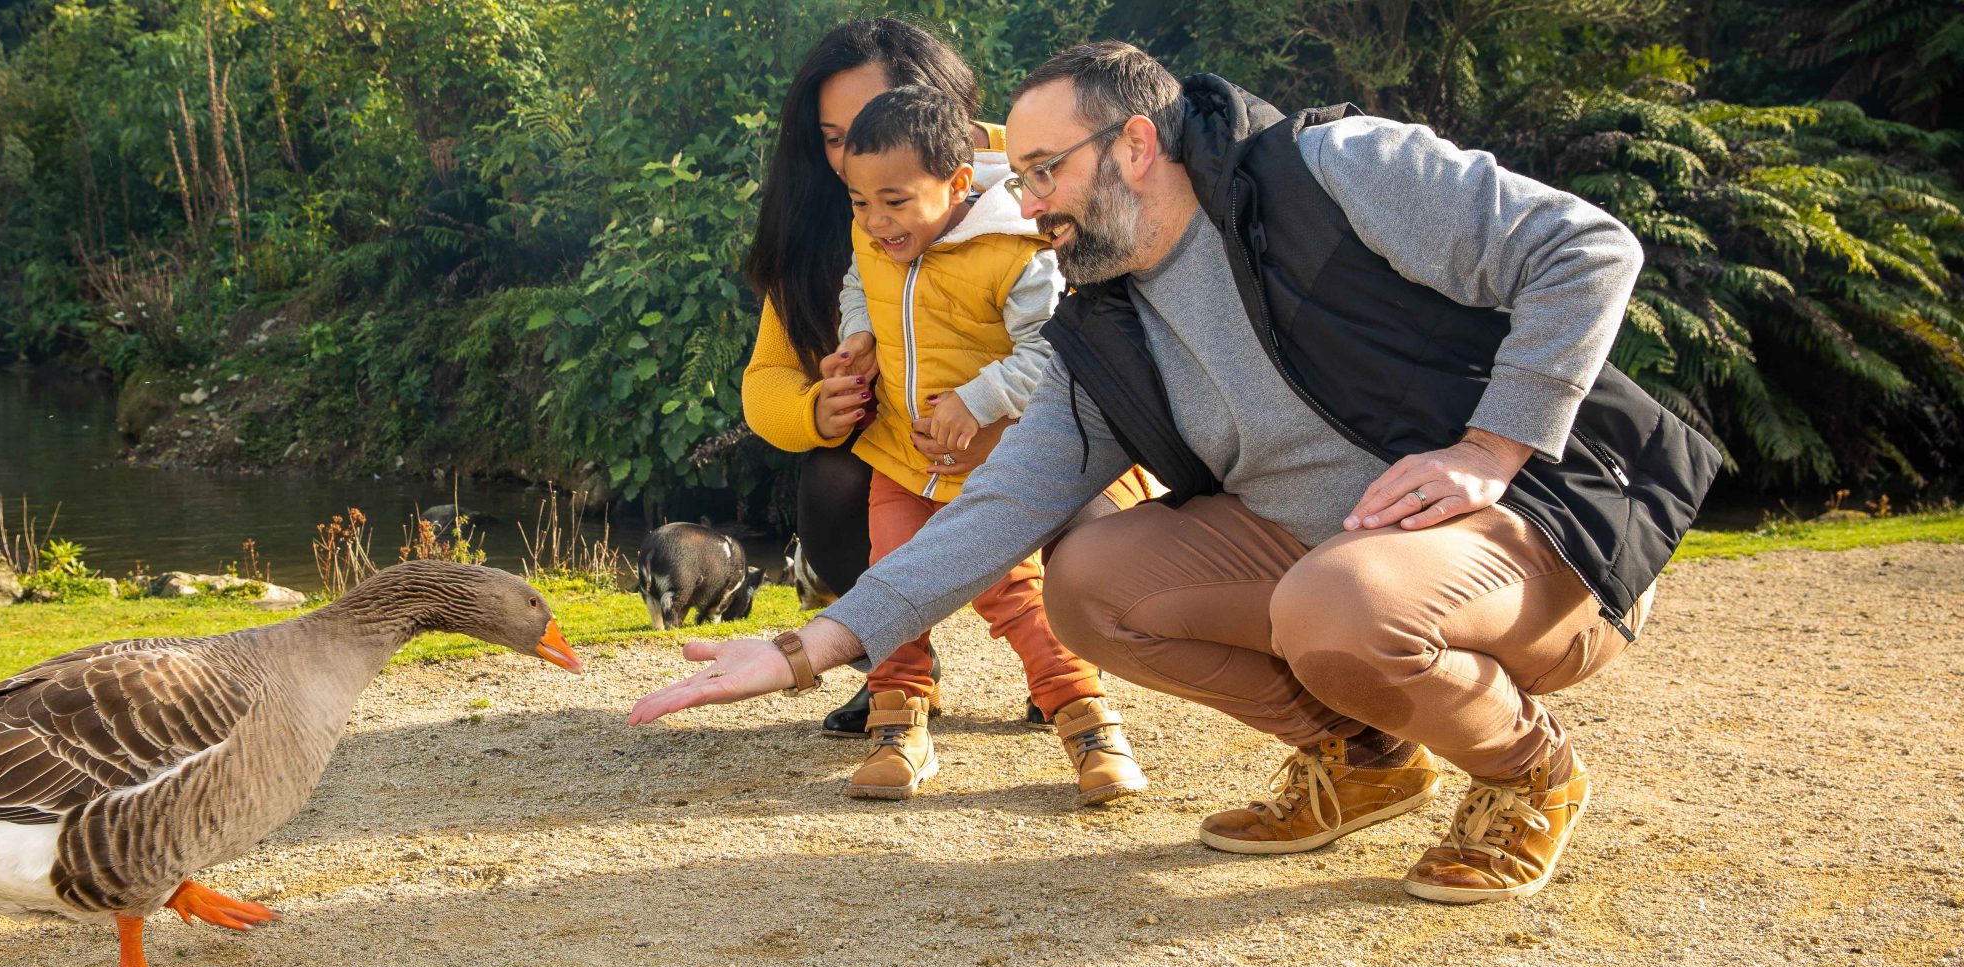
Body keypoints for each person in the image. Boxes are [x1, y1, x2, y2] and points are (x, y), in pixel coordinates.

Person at [639, 40, 1719, 905]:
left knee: (1333, 599)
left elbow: (1588, 249)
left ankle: (1529, 769)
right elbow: (1002, 506)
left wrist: (1492, 447)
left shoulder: (1334, 173)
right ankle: (1366, 755)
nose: (1030, 205)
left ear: (1137, 144)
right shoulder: (1099, 322)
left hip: (1537, 541)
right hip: (1339, 573)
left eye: (1045, 173)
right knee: (1091, 583)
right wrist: (811, 645)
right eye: (1017, 179)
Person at [738, 18, 1153, 737]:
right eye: (834, 137)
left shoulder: (1025, 178)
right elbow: (766, 378)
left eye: (875, 120)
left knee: (1051, 536)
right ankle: (897, 674)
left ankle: (1067, 676)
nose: (852, 157)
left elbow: (1091, 338)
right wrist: (818, 406)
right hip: (915, 445)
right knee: (836, 481)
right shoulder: (841, 214)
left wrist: (996, 409)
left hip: (1051, 429)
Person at [818, 84, 1145, 804]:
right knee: (892, 576)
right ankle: (898, 720)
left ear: (959, 183)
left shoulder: (1016, 251)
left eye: (895, 202)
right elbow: (858, 286)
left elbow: (1050, 352)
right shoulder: (873, 241)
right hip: (903, 457)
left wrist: (978, 399)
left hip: (994, 464)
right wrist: (858, 337)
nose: (875, 222)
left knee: (1012, 591)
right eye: (859, 203)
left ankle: (1086, 722)